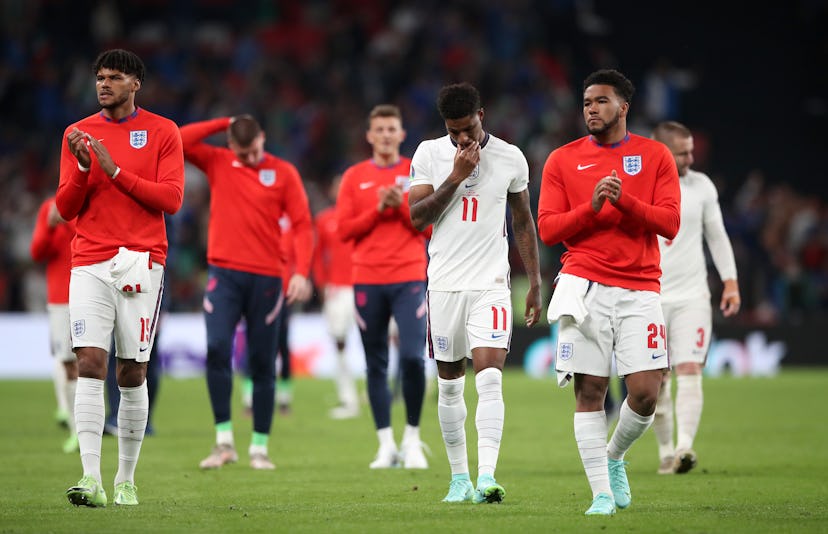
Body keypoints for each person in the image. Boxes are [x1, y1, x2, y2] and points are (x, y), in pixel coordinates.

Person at [537, 69, 680, 516]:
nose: (591, 109)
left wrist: (624, 202)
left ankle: (614, 455)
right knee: (590, 392)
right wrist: (592, 207)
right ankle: (601, 493)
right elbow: (547, 229)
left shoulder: (655, 155)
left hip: (640, 287)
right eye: (586, 103)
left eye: (600, 101)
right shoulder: (562, 160)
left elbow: (670, 223)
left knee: (645, 394)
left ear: (624, 106)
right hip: (584, 284)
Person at [57, 48, 185, 507]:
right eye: (98, 77)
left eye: (113, 77)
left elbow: (171, 199)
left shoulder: (163, 131)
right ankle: (90, 477)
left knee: (131, 372)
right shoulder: (77, 133)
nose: (103, 84)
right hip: (89, 259)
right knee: (90, 361)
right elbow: (66, 208)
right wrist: (86, 169)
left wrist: (114, 170)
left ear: (136, 84)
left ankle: (125, 479)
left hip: (142, 262)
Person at [408, 82, 543, 504]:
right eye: (454, 131)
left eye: (467, 128)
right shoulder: (429, 154)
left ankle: (487, 477)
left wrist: (536, 281)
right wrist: (455, 176)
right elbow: (417, 217)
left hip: (490, 286)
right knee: (449, 386)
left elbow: (523, 221)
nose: (462, 138)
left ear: (481, 115)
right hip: (445, 285)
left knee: (489, 379)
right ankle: (459, 479)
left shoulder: (510, 157)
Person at [180, 114, 313, 471]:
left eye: (255, 150)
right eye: (244, 152)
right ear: (230, 146)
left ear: (264, 138)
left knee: (262, 363)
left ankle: (259, 448)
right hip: (224, 275)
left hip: (268, 278)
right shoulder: (218, 161)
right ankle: (223, 442)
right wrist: (225, 120)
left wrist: (301, 272)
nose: (251, 158)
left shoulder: (283, 172)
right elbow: (178, 139)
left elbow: (302, 224)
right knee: (217, 349)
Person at [336, 104, 429, 469]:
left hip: (408, 277)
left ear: (402, 133)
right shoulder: (354, 176)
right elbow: (343, 231)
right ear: (370, 135)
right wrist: (378, 208)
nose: (387, 134)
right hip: (367, 280)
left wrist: (402, 206)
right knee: (375, 364)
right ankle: (385, 445)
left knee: (411, 359)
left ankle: (413, 440)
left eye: (393, 128)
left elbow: (431, 229)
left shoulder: (416, 173)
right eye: (380, 129)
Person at [651, 121, 740, 474]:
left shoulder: (702, 186)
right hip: (649, 296)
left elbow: (717, 237)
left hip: (692, 296)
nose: (690, 157)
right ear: (662, 152)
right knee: (656, 379)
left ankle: (685, 447)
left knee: (690, 370)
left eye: (691, 151)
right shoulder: (641, 184)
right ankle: (665, 451)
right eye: (682, 152)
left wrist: (730, 281)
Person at [31, 196, 79, 454]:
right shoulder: (49, 207)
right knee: (69, 364)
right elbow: (37, 252)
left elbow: (90, 240)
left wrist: (67, 222)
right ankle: (76, 431)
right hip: (61, 299)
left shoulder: (88, 202)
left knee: (93, 364)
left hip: (92, 295)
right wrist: (50, 225)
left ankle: (89, 427)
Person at [313, 175, 360, 420]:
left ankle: (383, 393)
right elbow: (318, 256)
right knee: (339, 344)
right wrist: (322, 285)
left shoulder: (362, 219)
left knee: (380, 343)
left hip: (364, 286)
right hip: (337, 290)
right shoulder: (323, 221)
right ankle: (348, 398)